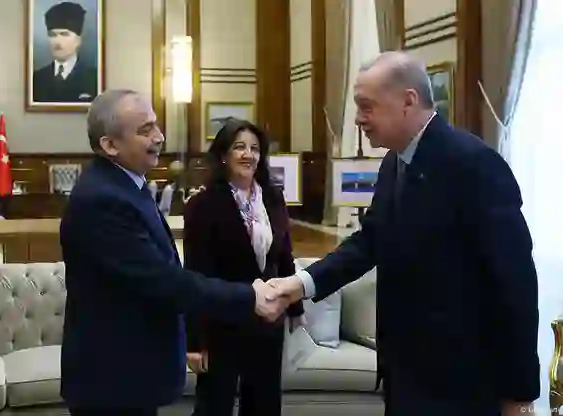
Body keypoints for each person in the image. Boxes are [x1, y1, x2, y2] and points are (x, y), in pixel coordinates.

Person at [268, 51, 539, 416]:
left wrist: (519, 394)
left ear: (408, 101)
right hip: (406, 378)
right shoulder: (394, 162)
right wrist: (300, 284)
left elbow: (515, 283)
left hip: (461, 387)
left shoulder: (474, 164)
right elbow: (369, 243)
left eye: (366, 107)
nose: (358, 119)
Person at [59, 89, 289, 416]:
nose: (159, 137)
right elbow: (164, 281)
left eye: (156, 125)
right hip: (112, 380)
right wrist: (251, 297)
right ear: (110, 145)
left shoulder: (127, 185)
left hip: (128, 374)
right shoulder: (103, 200)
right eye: (145, 130)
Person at [184, 119, 305, 416]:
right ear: (223, 155)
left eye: (255, 148)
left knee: (264, 406)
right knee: (214, 406)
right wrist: (195, 341)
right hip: (222, 324)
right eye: (239, 147)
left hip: (268, 323)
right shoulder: (202, 204)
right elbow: (196, 274)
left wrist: (295, 308)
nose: (248, 155)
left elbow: (284, 256)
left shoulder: (273, 197)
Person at [32, 1, 98, 103]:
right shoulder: (37, 78)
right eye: (53, 35)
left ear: (78, 40)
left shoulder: (93, 78)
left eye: (64, 34)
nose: (57, 41)